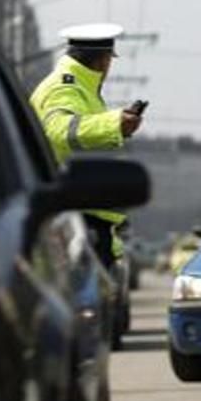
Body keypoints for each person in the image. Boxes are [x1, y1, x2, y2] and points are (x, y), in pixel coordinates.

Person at [30, 23, 143, 268]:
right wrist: (113, 123)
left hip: (86, 220)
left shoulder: (81, 88)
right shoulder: (64, 88)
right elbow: (59, 130)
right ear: (103, 61)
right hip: (77, 222)